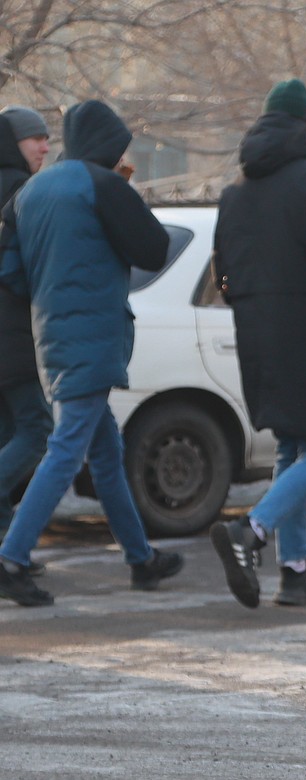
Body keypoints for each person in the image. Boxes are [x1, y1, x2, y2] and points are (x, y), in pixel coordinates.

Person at [0, 100, 182, 608]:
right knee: (67, 448)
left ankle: (141, 559)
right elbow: (153, 249)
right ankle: (11, 559)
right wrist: (121, 201)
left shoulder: (28, 193)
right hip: (95, 334)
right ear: (108, 145)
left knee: (105, 452)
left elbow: (11, 274)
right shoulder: (101, 185)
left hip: (49, 334)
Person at [209, 78, 306, 609]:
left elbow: (222, 273)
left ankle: (294, 573)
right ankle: (250, 530)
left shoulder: (234, 193)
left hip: (259, 338)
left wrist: (256, 314)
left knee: (293, 449)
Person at [0, 107, 54, 576]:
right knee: (36, 430)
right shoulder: (19, 191)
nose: (44, 146)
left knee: (5, 433)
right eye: (34, 138)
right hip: (12, 335)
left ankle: (4, 548)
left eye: (46, 138)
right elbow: (24, 271)